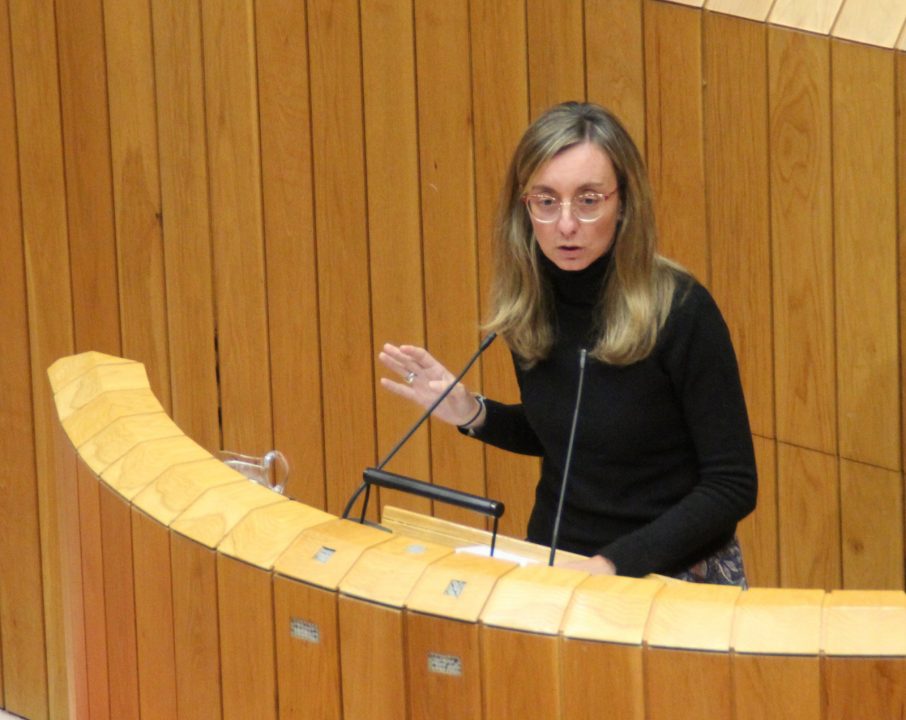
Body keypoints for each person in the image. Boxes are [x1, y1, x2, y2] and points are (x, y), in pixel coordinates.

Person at [379, 102, 756, 585]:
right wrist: (473, 412)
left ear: (624, 204)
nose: (567, 224)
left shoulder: (681, 310)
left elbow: (732, 485)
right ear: (525, 208)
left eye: (589, 199)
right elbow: (575, 434)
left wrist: (614, 564)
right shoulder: (532, 303)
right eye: (547, 201)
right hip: (558, 567)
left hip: (671, 575)